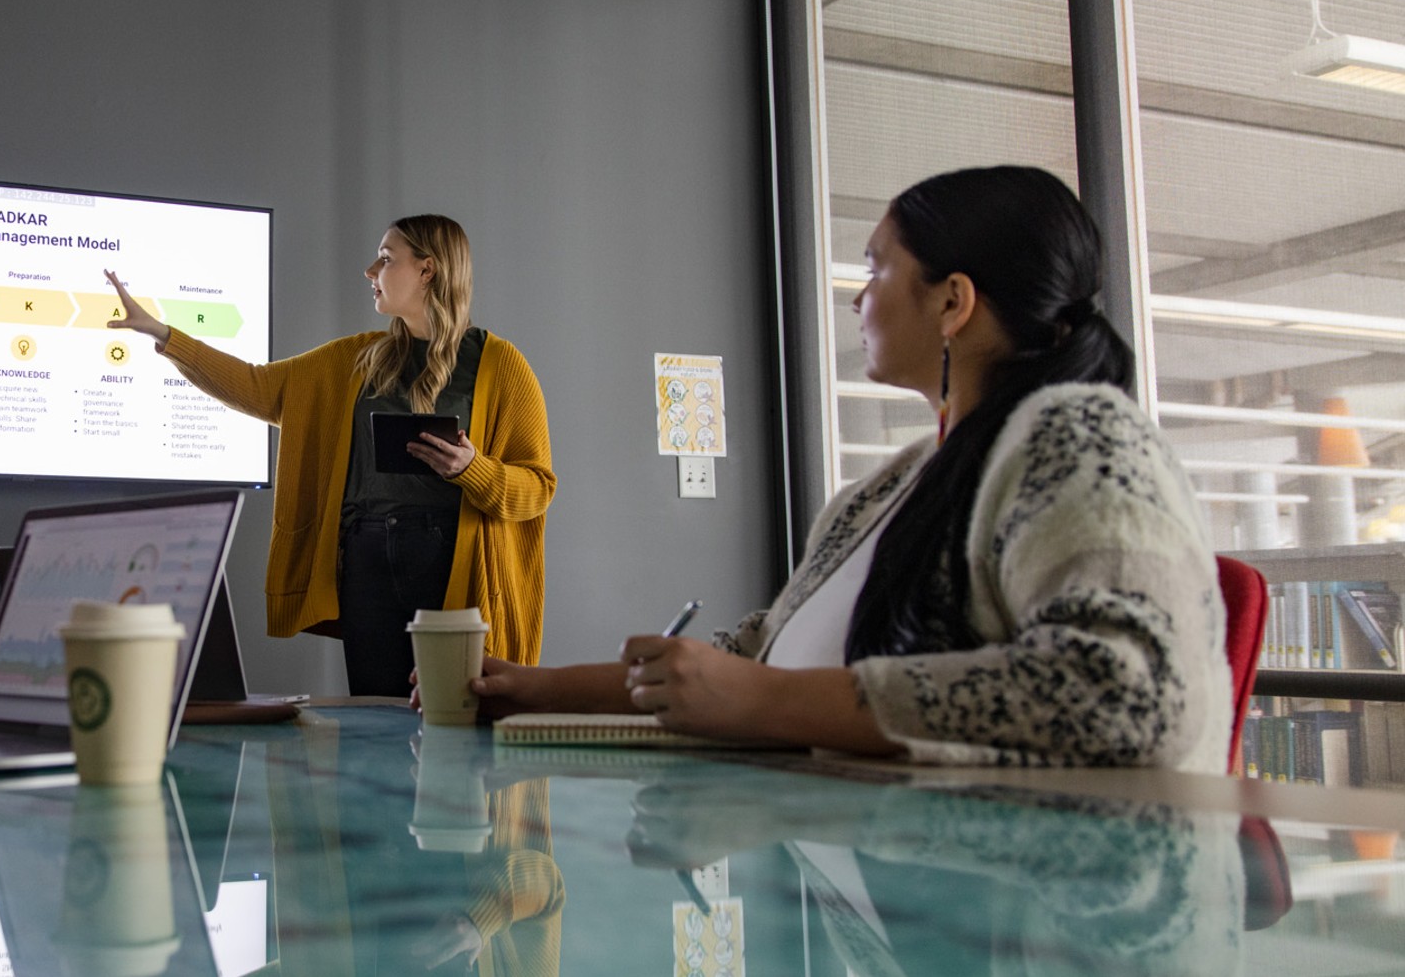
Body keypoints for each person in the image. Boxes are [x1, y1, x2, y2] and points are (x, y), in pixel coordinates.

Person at [459, 166, 1230, 770]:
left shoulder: (1078, 435)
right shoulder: (889, 489)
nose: (858, 298)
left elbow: (1126, 695)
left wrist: (768, 704)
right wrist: (529, 687)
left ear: (953, 302)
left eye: (877, 270)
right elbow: (744, 658)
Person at [104, 214, 554, 696]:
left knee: (454, 721)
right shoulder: (357, 358)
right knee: (376, 720)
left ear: (428, 271)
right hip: (366, 560)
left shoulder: (500, 365)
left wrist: (473, 470)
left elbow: (538, 488)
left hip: (450, 564)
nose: (370, 271)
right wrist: (163, 335)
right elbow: (258, 386)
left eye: (385, 259)